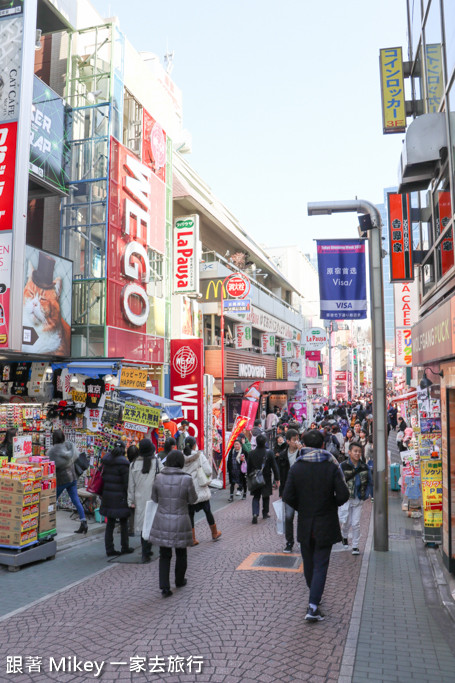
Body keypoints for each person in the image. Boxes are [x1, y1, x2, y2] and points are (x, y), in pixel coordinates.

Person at [282, 429, 349, 622]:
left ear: (303, 444)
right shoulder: (331, 466)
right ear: (322, 445)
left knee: (309, 563)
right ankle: (313, 606)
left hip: (305, 522)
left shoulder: (297, 467)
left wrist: (302, 507)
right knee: (321, 563)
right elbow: (343, 495)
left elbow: (288, 496)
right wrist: (331, 504)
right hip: (326, 521)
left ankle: (314, 596)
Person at [149, 450, 198, 597]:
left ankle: (164, 587)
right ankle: (179, 579)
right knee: (181, 552)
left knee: (164, 554)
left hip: (162, 520)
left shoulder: (158, 477)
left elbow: (154, 498)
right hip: (181, 519)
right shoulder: (187, 479)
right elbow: (193, 499)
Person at [127, 438, 163, 563]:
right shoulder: (157, 463)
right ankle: (148, 550)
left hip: (139, 499)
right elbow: (162, 480)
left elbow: (131, 485)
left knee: (144, 526)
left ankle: (145, 551)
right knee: (153, 525)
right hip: (154, 498)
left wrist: (130, 501)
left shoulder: (133, 464)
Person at [47, 429, 87, 535]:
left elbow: (49, 465)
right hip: (72, 477)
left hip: (61, 480)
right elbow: (76, 456)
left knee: (51, 502)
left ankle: (48, 526)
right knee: (76, 500)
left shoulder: (52, 451)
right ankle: (84, 522)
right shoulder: (69, 446)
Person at [183, 436, 222, 544]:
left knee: (190, 514)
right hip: (200, 489)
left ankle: (192, 538)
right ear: (194, 445)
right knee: (207, 511)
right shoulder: (199, 456)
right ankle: (214, 533)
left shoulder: (181, 457)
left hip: (187, 490)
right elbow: (209, 471)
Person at [100, 442, 133, 557]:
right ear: (123, 450)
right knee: (124, 522)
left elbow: (102, 476)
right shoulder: (124, 464)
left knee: (110, 523)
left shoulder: (106, 460)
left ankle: (109, 549)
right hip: (120, 497)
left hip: (108, 495)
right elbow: (126, 483)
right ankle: (125, 546)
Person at [339, 442, 372, 555]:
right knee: (346, 522)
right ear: (349, 452)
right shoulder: (342, 466)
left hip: (359, 498)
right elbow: (338, 481)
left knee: (356, 523)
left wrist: (367, 494)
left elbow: (369, 482)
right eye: (355, 451)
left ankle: (355, 546)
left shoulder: (365, 466)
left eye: (359, 451)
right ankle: (344, 536)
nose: (358, 453)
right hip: (346, 498)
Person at [247, 433, 280, 524]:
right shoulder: (269, 453)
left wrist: (249, 477)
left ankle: (255, 513)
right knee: (266, 496)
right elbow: (274, 466)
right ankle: (265, 513)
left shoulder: (251, 453)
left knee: (256, 496)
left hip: (255, 477)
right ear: (265, 442)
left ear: (256, 442)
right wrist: (277, 478)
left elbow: (248, 467)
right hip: (266, 477)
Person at [277, 428, 301, 553]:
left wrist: (302, 450)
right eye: (294, 440)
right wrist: (281, 492)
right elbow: (281, 475)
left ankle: (303, 540)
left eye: (298, 439)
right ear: (288, 441)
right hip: (288, 489)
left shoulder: (302, 453)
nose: (296, 442)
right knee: (288, 516)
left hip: (302, 490)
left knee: (302, 516)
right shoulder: (282, 456)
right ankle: (289, 542)